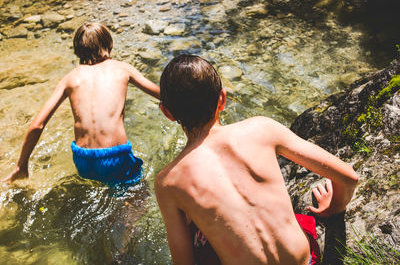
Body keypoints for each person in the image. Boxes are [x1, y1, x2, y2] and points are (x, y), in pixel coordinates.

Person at [155, 54, 358, 265]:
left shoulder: (168, 181)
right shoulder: (262, 129)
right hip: (304, 261)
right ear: (222, 99)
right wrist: (334, 208)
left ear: (167, 113)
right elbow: (349, 178)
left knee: (196, 227)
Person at [2, 22, 160, 185]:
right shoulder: (122, 69)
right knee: (138, 193)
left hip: (82, 158)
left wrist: (22, 165)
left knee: (98, 188)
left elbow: (36, 125)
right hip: (115, 156)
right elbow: (162, 95)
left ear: (77, 50)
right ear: (109, 44)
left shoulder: (70, 79)